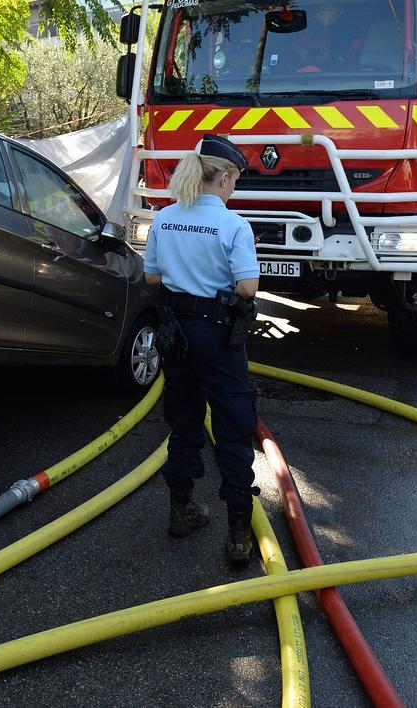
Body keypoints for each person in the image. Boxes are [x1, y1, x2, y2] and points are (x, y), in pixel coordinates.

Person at [142, 133, 261, 566]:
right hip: (217, 334)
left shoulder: (165, 218)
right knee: (232, 424)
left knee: (184, 419)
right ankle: (237, 534)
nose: (235, 188)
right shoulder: (234, 225)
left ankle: (182, 510)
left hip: (175, 334)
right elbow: (247, 287)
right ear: (225, 177)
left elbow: (152, 279)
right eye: (236, 180)